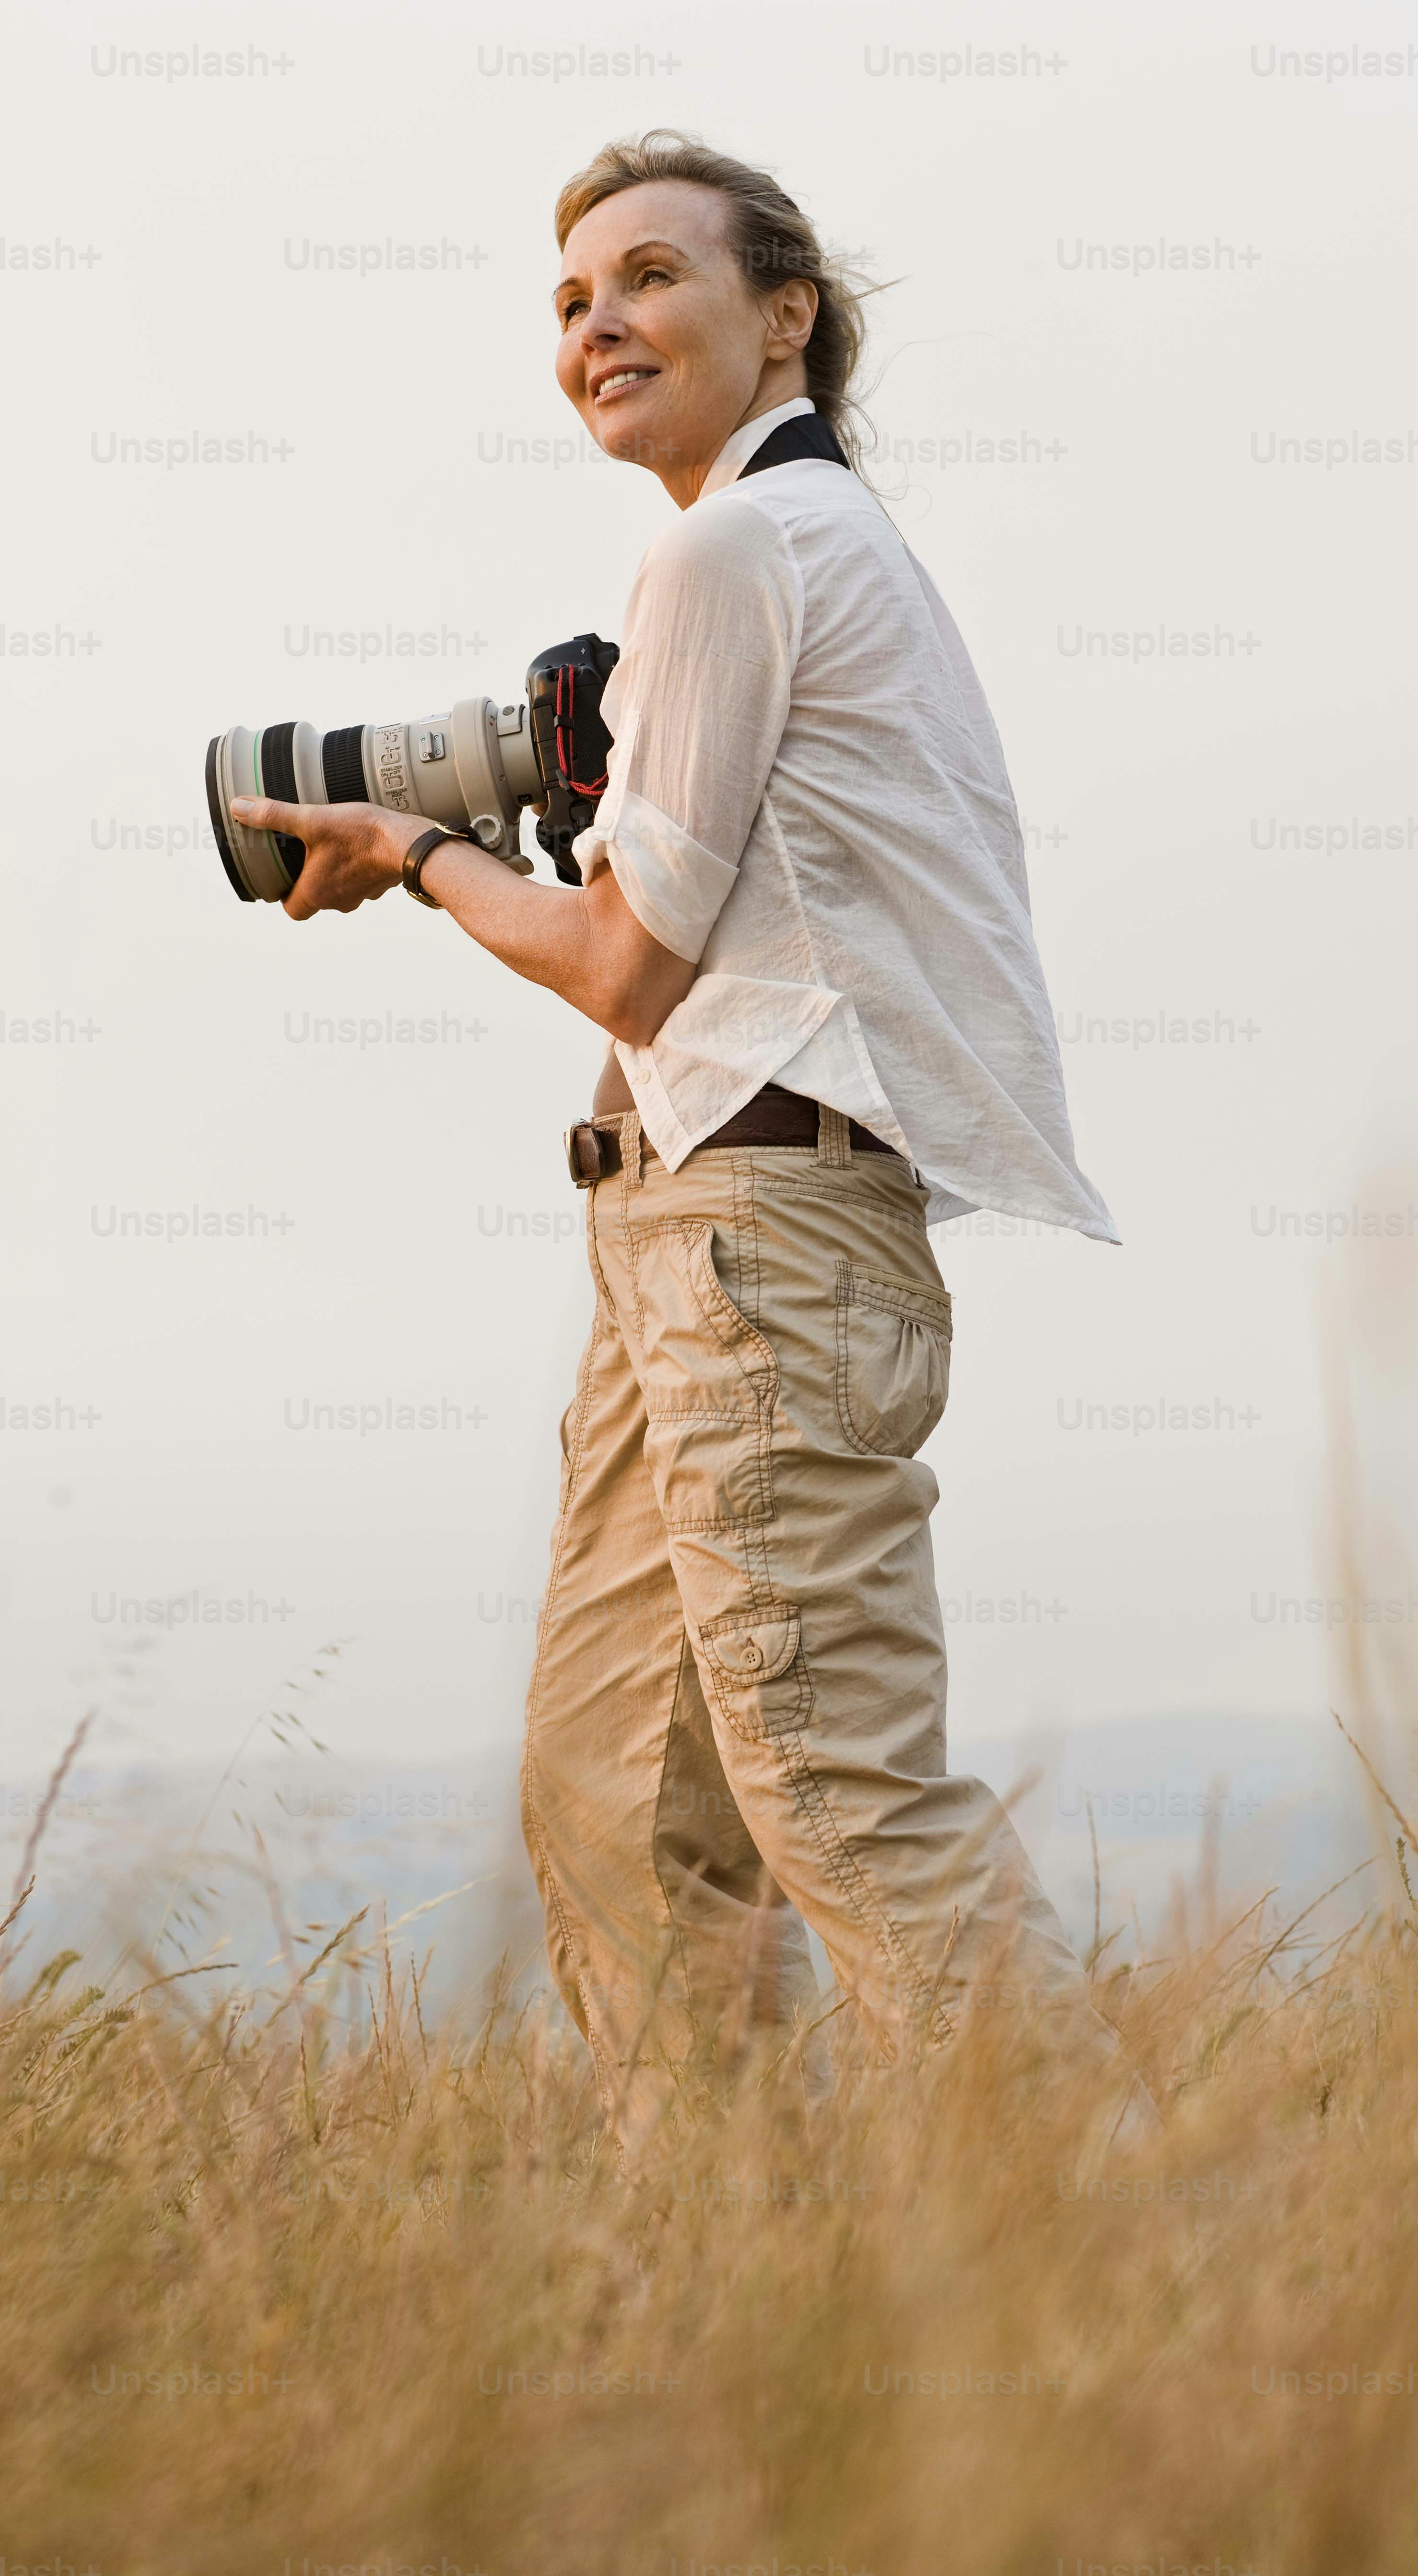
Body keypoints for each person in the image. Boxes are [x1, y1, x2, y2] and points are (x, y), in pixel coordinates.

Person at [231, 128, 1148, 2168]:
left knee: (828, 1780)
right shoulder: (786, 551)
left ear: (783, 313)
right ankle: (743, 2263)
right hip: (694, 1222)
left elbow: (630, 965)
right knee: (610, 1795)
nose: (599, 325)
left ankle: (1123, 2222)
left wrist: (422, 849)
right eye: (568, 302)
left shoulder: (736, 551)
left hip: (759, 1216)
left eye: (649, 278)